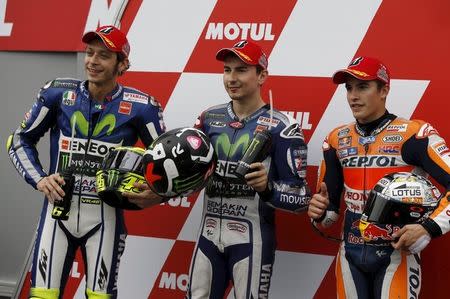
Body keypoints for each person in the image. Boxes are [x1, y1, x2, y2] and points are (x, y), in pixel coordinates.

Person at [6, 25, 164, 298]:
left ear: (122, 63)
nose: (92, 61)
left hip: (106, 219)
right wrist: (40, 178)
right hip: (56, 217)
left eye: (103, 55)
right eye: (89, 52)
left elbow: (168, 163)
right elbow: (19, 141)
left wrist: (157, 194)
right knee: (42, 295)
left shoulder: (142, 107)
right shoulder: (58, 93)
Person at [307, 56, 450, 298]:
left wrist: (427, 228)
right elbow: (328, 217)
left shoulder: (414, 134)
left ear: (384, 90)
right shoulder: (336, 139)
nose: (353, 96)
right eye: (349, 88)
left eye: (362, 87)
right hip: (349, 252)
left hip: (397, 253)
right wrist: (318, 212)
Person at [186, 40, 311, 299]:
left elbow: (300, 198)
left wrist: (268, 188)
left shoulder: (283, 126)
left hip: (253, 240)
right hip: (207, 235)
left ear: (262, 75)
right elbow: (188, 175)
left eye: (241, 70)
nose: (232, 78)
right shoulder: (208, 118)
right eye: (227, 69)